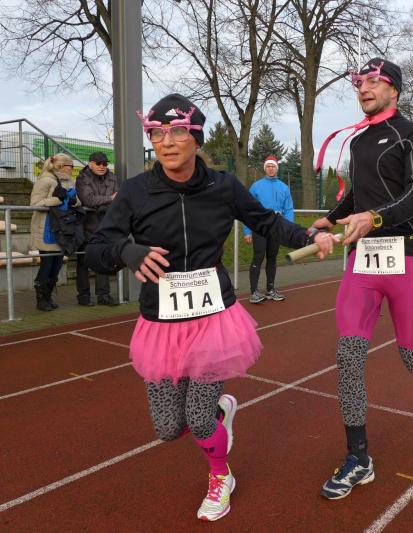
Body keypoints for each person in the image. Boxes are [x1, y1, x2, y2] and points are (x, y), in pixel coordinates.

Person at [86, 94, 336, 521]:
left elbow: (266, 221)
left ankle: (221, 475)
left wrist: (309, 237)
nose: (167, 142)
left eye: (177, 131)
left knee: (199, 420)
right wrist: (127, 252)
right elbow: (97, 248)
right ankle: (223, 412)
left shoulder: (222, 186)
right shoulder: (136, 192)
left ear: (196, 137)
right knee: (168, 428)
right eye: (157, 134)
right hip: (160, 323)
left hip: (212, 319)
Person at [311, 58, 413, 499]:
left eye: (374, 81)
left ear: (395, 89)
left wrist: (375, 218)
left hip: (405, 255)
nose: (363, 88)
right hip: (363, 261)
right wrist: (330, 218)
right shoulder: (359, 142)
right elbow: (358, 194)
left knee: (412, 356)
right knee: (348, 354)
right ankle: (359, 458)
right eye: (359, 82)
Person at [29, 153, 79, 311]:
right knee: (47, 265)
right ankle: (41, 299)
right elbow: (34, 204)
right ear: (61, 166)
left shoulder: (70, 181)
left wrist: (74, 201)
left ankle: (48, 296)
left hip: (62, 229)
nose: (72, 169)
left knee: (57, 265)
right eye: (71, 166)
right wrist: (57, 200)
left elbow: (77, 201)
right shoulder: (45, 180)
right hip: (47, 230)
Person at [243, 155, 294, 304]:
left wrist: (288, 229)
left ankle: (270, 290)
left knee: (272, 258)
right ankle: (254, 292)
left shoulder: (284, 188)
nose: (271, 169)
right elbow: (248, 210)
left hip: (276, 227)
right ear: (265, 168)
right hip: (260, 226)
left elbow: (288, 209)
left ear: (277, 168)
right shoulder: (256, 186)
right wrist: (247, 231)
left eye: (273, 166)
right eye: (268, 166)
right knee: (258, 256)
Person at [75, 151, 119, 306]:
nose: (102, 166)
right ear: (90, 164)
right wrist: (109, 199)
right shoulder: (82, 178)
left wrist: (102, 202)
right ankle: (83, 296)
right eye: (99, 163)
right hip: (86, 226)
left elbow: (119, 199)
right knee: (84, 262)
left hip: (105, 226)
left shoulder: (112, 177)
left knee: (103, 260)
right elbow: (88, 200)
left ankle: (103, 295)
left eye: (105, 163)